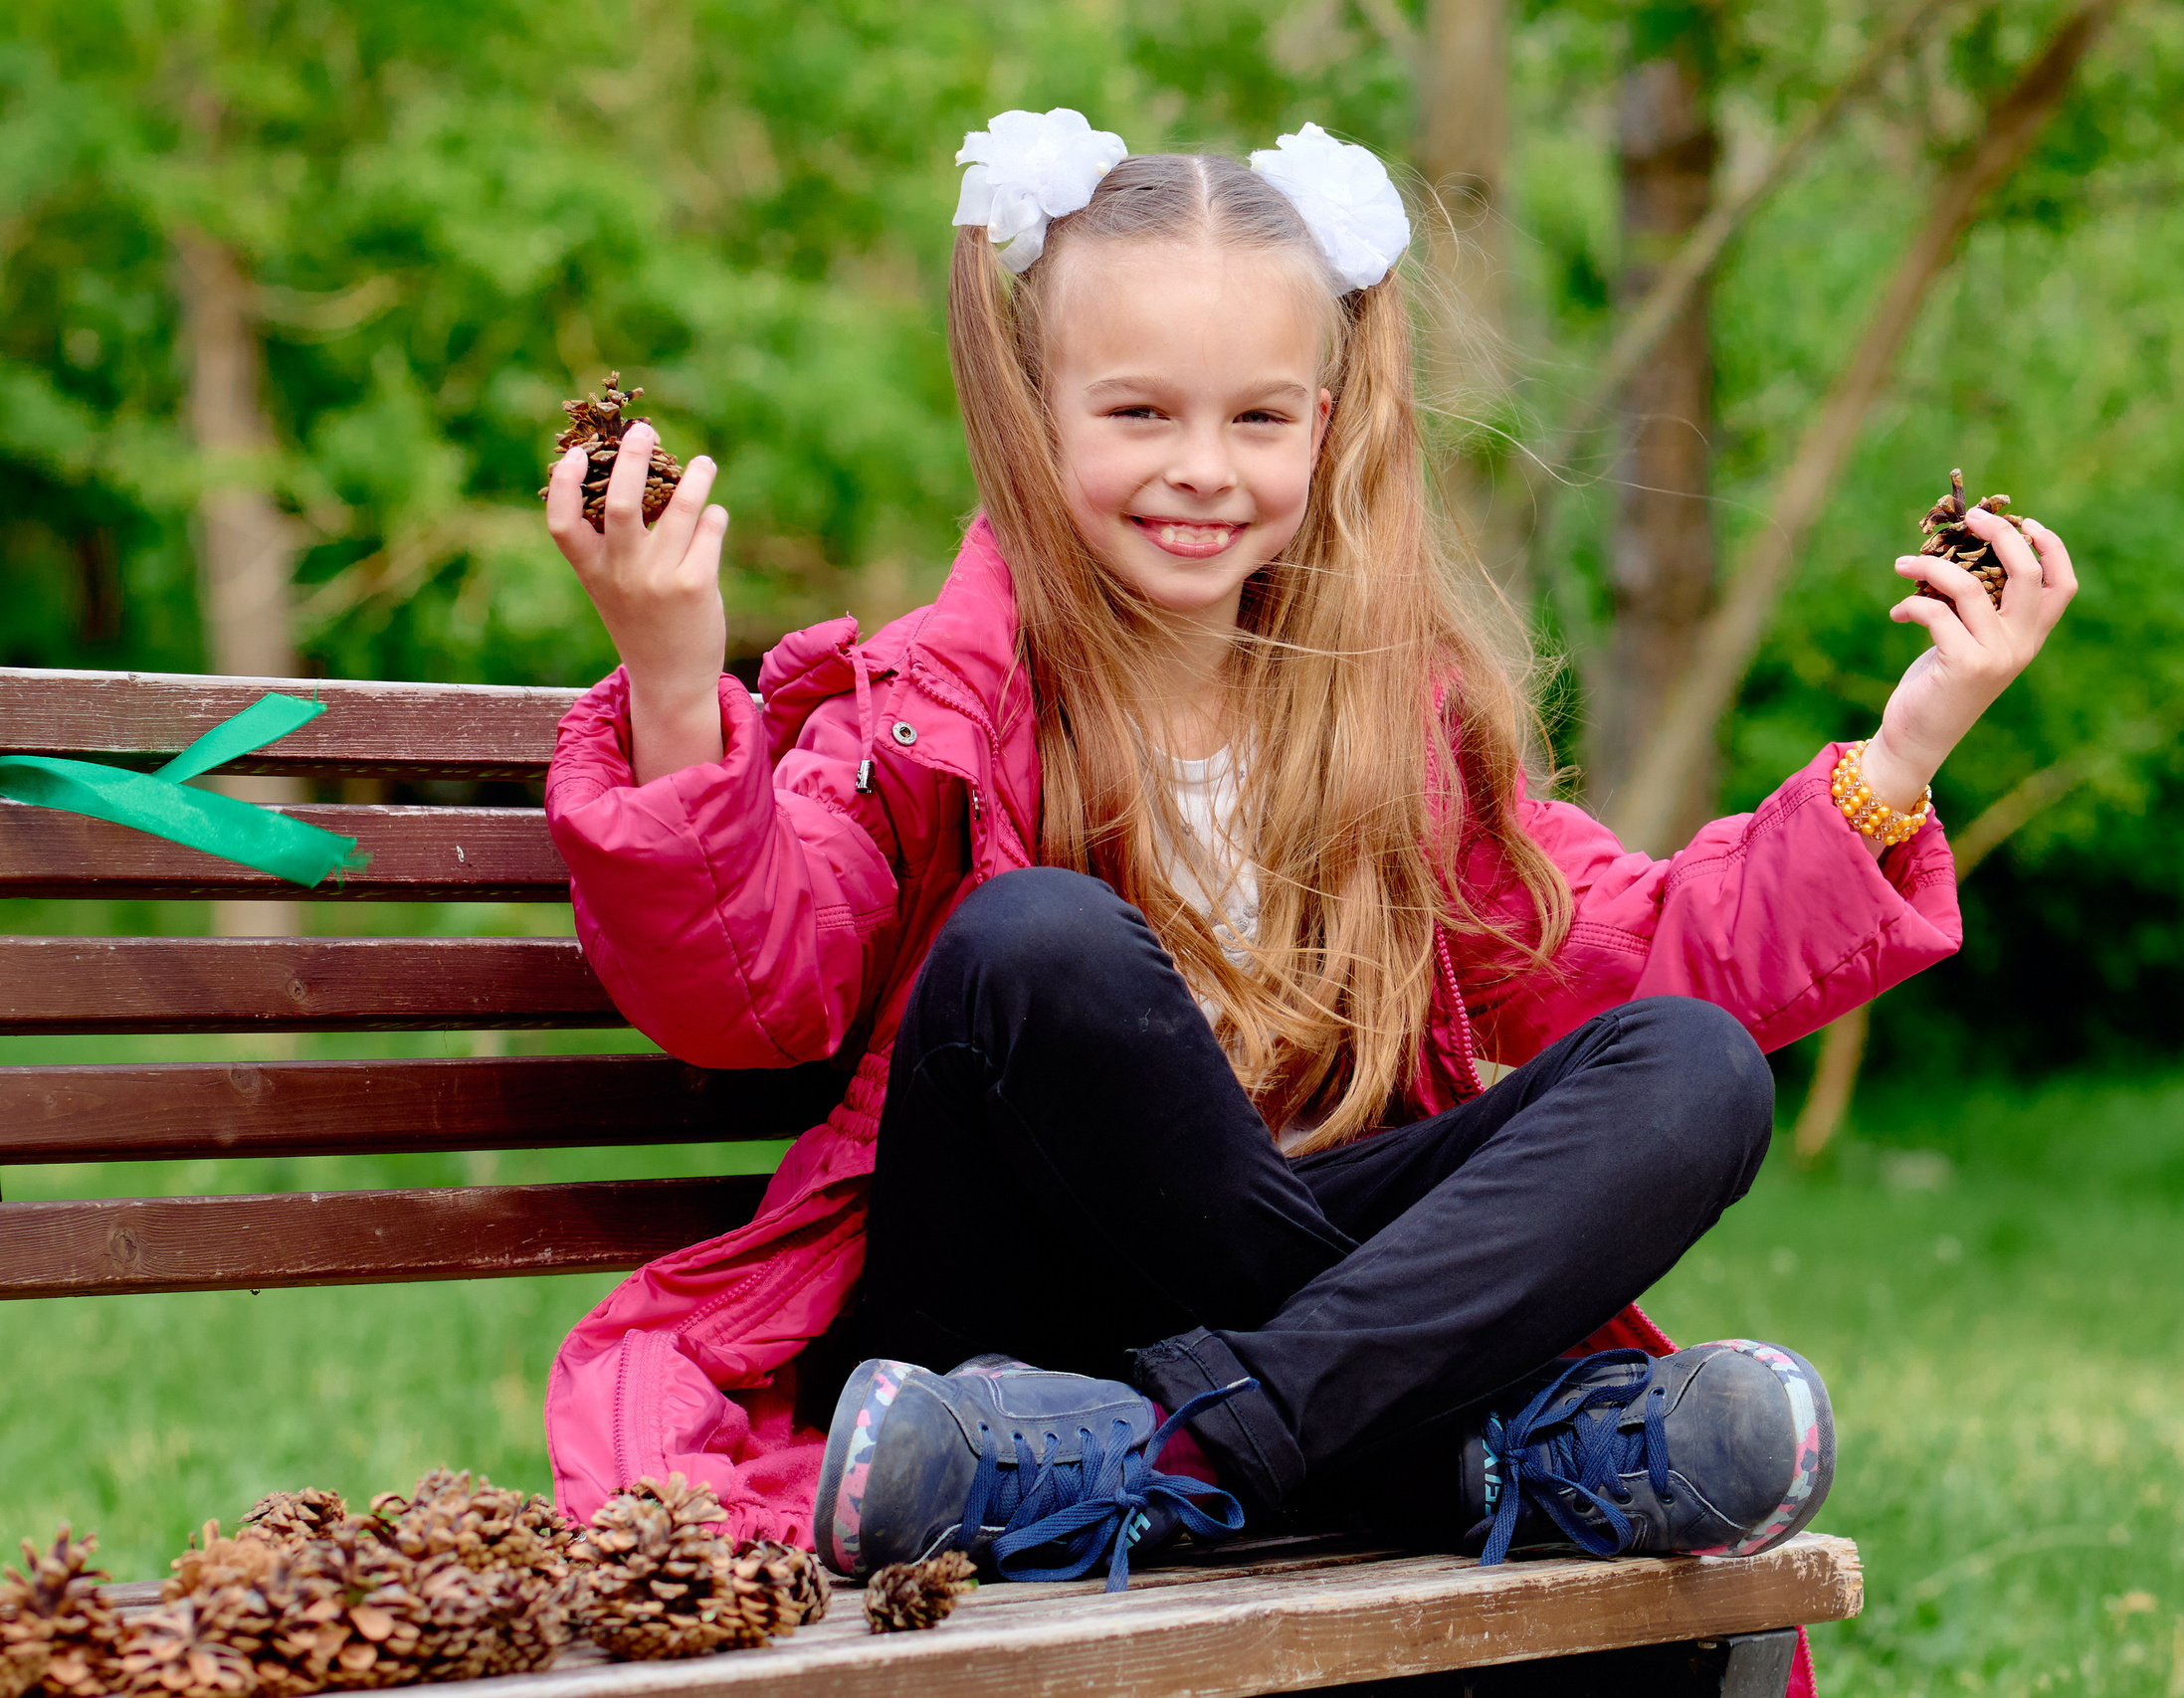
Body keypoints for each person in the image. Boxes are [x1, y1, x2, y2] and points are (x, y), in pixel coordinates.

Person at [537, 111, 2077, 1595]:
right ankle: (1451, 1454)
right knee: (1036, 944)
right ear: (1030, 408)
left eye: (1257, 417)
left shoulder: (1385, 729)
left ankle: (1184, 1457)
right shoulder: (928, 710)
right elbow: (753, 997)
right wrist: (678, 678)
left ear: (1320, 425)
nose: (1203, 468)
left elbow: (1640, 957)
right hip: (1000, 1332)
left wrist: (1905, 753)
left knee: (1691, 1072)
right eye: (1139, 413)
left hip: (1276, 1322)